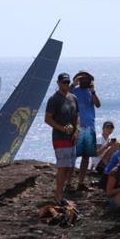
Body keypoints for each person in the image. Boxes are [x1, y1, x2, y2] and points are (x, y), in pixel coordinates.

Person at [44, 73, 79, 203]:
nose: (65, 84)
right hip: (60, 137)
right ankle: (58, 195)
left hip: (71, 138)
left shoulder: (73, 98)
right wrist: (62, 128)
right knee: (63, 166)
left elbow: (77, 116)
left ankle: (62, 193)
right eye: (63, 82)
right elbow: (47, 119)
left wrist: (76, 131)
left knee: (70, 166)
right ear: (58, 83)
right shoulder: (54, 99)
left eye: (67, 82)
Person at [71, 70, 101, 190]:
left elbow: (98, 104)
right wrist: (73, 84)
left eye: (87, 79)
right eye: (82, 79)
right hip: (77, 127)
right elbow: (64, 95)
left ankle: (80, 183)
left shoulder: (90, 92)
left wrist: (93, 91)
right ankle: (68, 183)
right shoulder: (73, 91)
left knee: (86, 156)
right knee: (72, 156)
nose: (85, 81)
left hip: (90, 126)